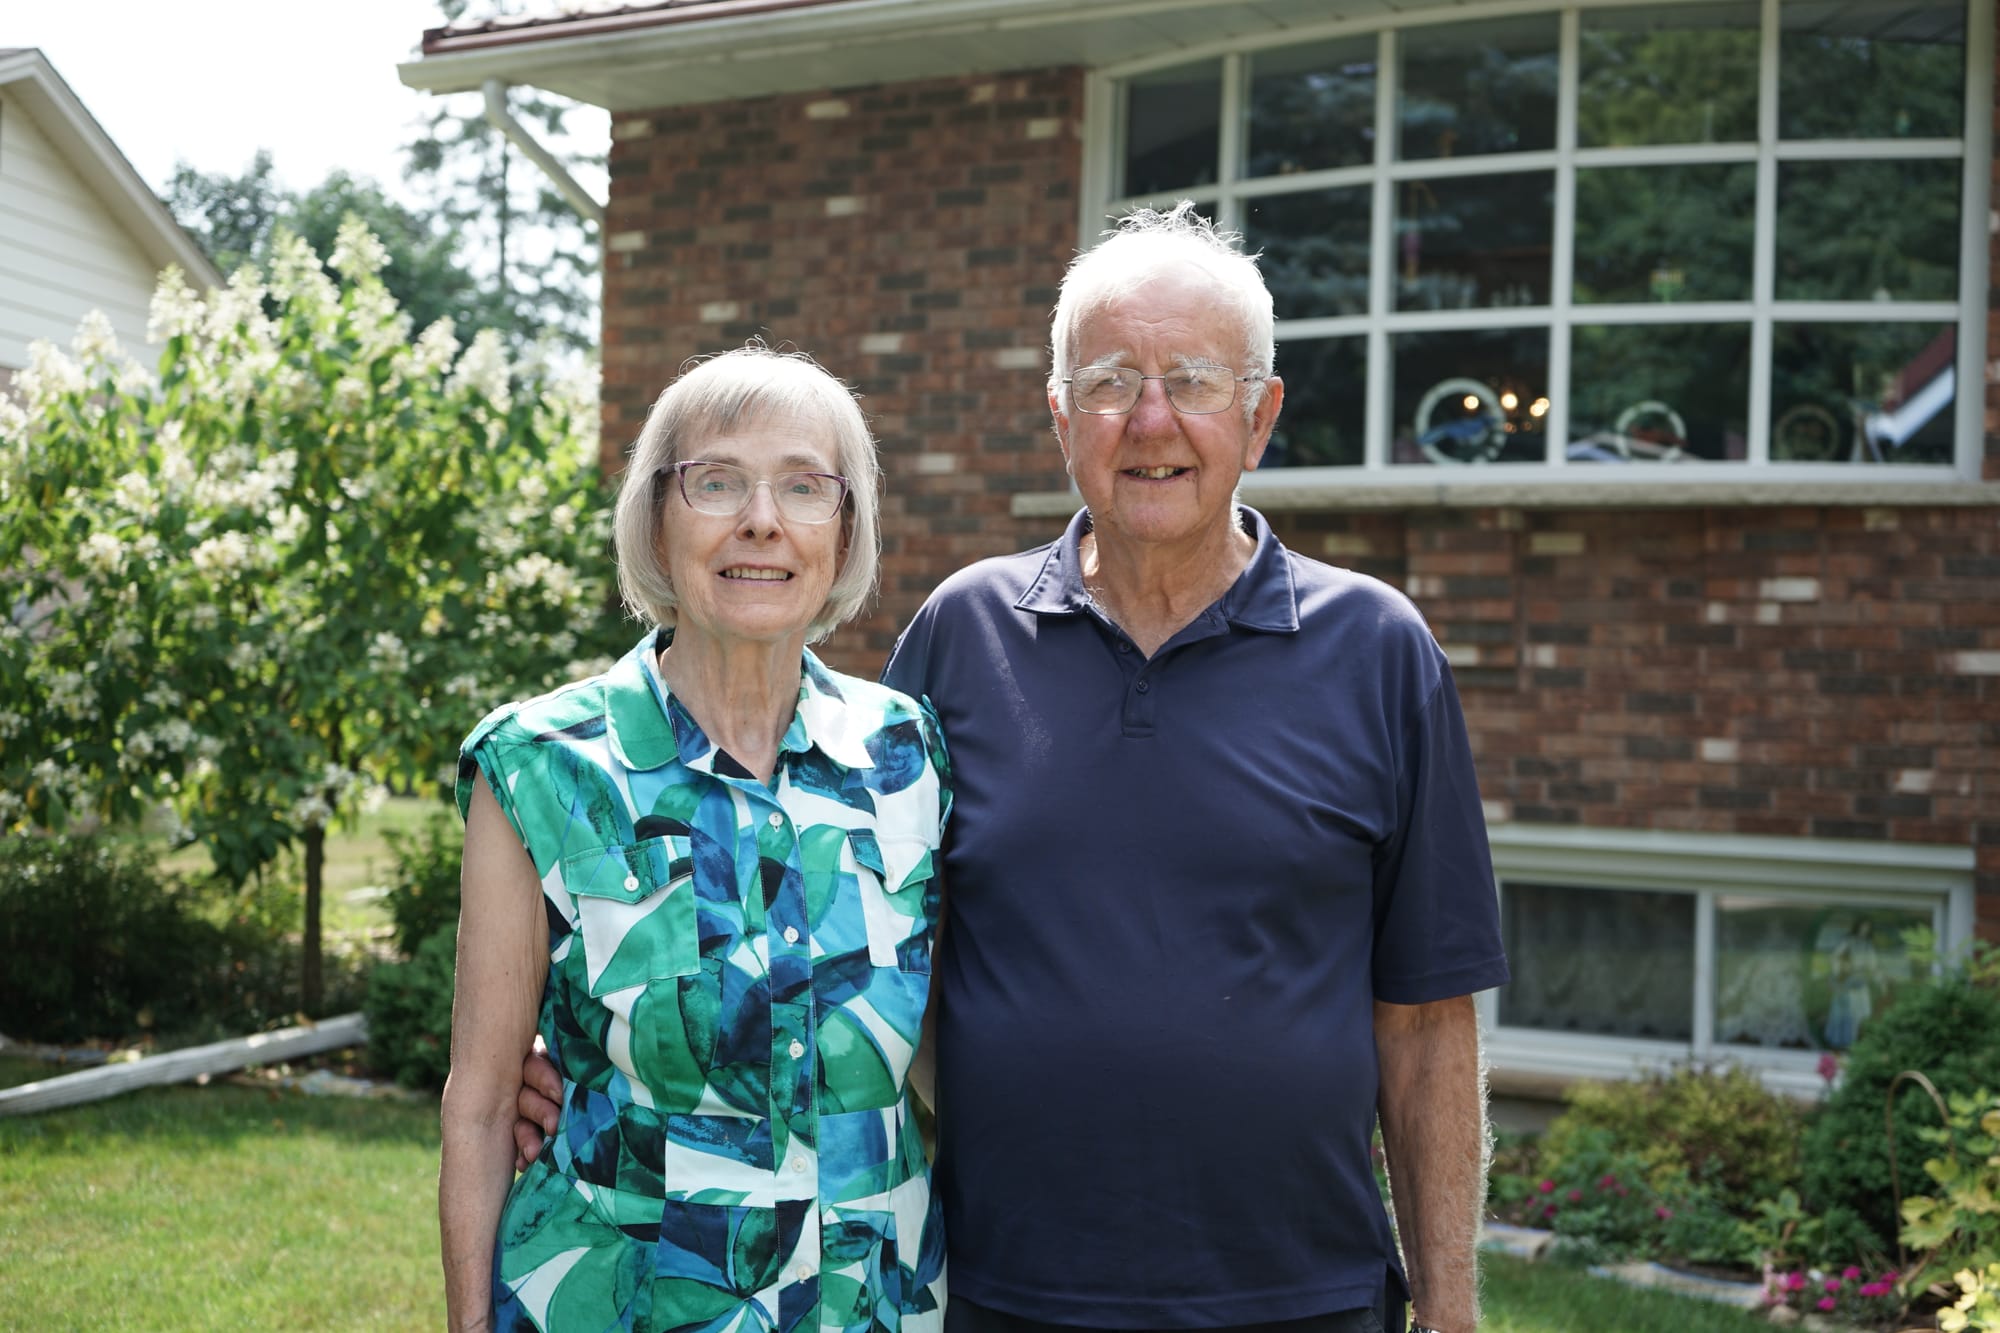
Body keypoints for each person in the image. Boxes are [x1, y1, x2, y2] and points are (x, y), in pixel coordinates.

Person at [519, 205, 1508, 1332]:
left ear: (1259, 412)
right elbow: (817, 918)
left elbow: (1427, 1024)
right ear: (1058, 417)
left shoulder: (1379, 653)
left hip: (1301, 1297)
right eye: (1106, 380)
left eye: (1190, 377)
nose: (1149, 417)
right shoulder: (961, 637)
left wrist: (1450, 1305)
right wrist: (577, 1055)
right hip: (995, 1294)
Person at [441, 345, 951, 1333]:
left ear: (842, 533)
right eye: (715, 481)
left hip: (873, 1304)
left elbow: (941, 1047)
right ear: (657, 518)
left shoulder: (908, 752)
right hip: (620, 1302)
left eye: (805, 486)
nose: (760, 519)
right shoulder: (542, 763)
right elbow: (478, 1103)